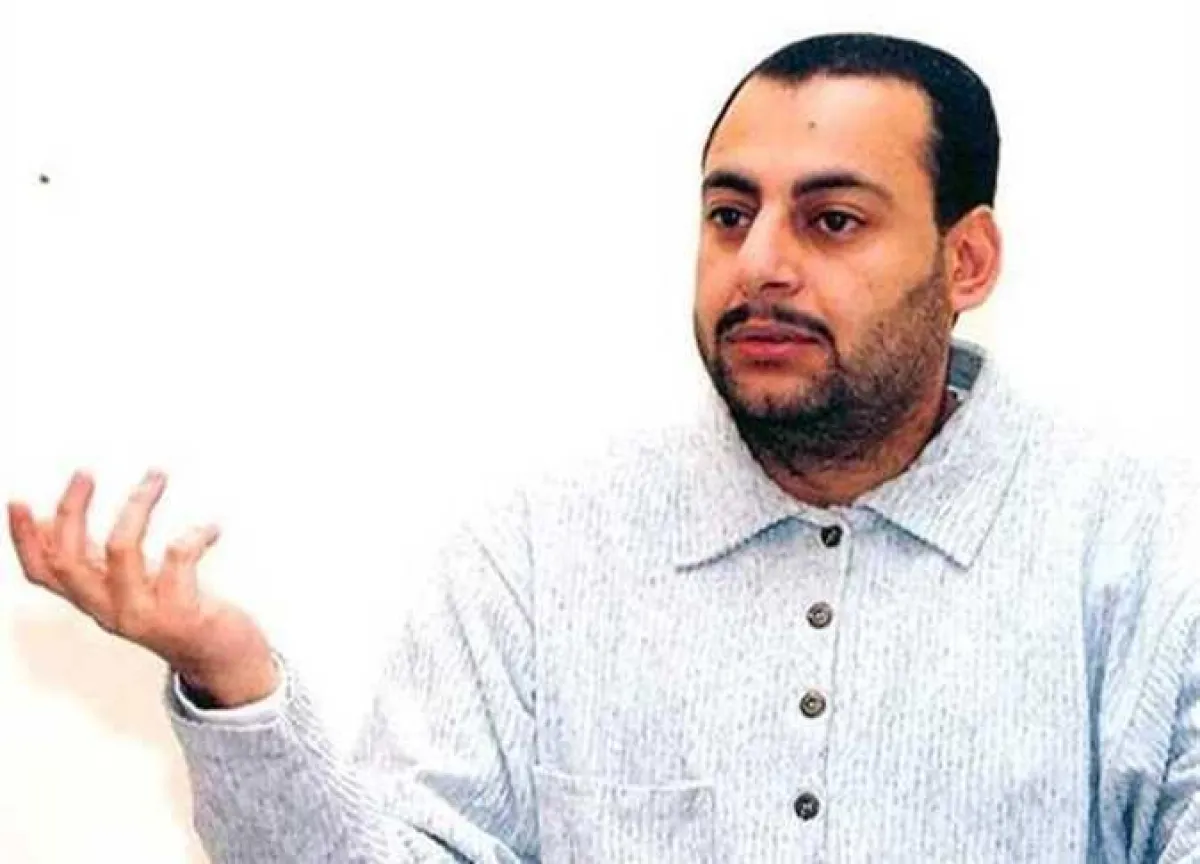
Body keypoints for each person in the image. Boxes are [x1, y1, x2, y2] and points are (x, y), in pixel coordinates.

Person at [8, 32, 1200, 863]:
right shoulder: (541, 554)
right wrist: (233, 680)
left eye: (832, 220)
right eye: (729, 214)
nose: (761, 263)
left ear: (966, 261)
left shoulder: (1142, 554)